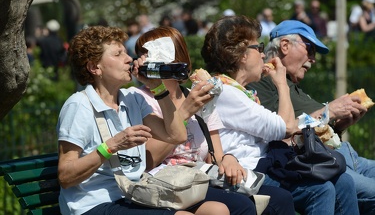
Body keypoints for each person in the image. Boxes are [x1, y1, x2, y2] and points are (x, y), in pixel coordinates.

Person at [57, 25, 232, 215]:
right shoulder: (79, 105)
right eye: (117, 54)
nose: (128, 59)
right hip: (93, 204)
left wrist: (157, 87)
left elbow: (176, 135)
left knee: (217, 210)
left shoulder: (132, 99)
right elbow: (66, 175)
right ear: (94, 67)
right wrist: (111, 145)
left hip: (132, 195)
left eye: (126, 52)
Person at [201, 16, 360, 215]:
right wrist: (282, 84)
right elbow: (286, 126)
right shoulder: (226, 92)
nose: (262, 54)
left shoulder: (240, 92)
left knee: (343, 181)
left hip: (267, 163)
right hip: (249, 171)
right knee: (321, 191)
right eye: (257, 48)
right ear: (242, 55)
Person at [127, 26, 262, 215]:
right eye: (143, 55)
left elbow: (215, 156)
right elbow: (148, 162)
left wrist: (230, 159)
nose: (147, 61)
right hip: (164, 182)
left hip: (198, 177)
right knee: (241, 207)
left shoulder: (196, 95)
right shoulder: (139, 98)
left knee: (277, 198)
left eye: (154, 54)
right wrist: (184, 112)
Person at [248, 20, 374, 215]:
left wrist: (340, 126)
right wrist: (328, 112)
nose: (313, 59)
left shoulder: (293, 84)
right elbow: (281, 131)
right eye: (310, 49)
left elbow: (312, 131)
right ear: (285, 46)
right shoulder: (265, 80)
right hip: (321, 163)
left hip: (343, 155)